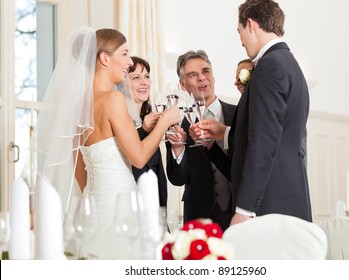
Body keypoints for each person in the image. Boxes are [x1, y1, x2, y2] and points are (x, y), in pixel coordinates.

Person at [36, 26, 180, 259]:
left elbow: (80, 173)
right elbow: (140, 157)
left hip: (91, 209)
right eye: (124, 53)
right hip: (119, 208)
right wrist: (166, 121)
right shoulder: (112, 99)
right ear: (104, 58)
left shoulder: (77, 107)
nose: (129, 61)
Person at [197, 0, 312, 225]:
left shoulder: (270, 66)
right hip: (287, 194)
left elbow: (264, 141)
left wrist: (245, 207)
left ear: (250, 24)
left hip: (270, 200)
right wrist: (226, 132)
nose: (240, 40)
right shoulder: (289, 63)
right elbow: (276, 132)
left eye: (239, 31)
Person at [165, 50, 236, 231]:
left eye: (206, 71)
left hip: (238, 212)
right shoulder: (177, 124)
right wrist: (178, 149)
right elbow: (177, 179)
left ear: (213, 76)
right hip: (198, 216)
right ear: (182, 85)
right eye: (193, 75)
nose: (202, 78)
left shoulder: (239, 114)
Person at [128, 56, 168, 207]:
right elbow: (131, 161)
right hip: (133, 203)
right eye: (136, 77)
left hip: (155, 204)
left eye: (147, 76)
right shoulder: (119, 119)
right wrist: (144, 130)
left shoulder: (150, 118)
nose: (144, 82)